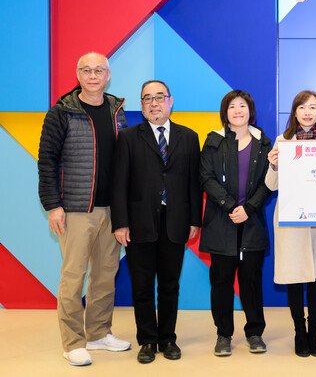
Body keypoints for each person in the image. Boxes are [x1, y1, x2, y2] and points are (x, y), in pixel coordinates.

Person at [37, 52, 130, 366]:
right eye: (87, 70)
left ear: (107, 75)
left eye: (99, 70)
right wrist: (53, 205)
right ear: (78, 74)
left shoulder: (117, 110)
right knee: (74, 276)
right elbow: (47, 161)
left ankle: (98, 333)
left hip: (111, 209)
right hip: (76, 208)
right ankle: (73, 341)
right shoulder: (61, 112)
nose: (93, 75)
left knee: (106, 275)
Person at [110, 80, 202, 363]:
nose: (153, 103)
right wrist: (120, 222)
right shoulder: (128, 138)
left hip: (176, 221)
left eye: (159, 97)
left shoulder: (188, 136)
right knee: (142, 285)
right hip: (138, 222)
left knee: (170, 285)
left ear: (170, 101)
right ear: (142, 104)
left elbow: (194, 183)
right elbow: (119, 183)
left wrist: (194, 220)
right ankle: (147, 340)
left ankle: (168, 339)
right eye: (147, 98)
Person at [265, 91, 316, 358]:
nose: (308, 112)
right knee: (295, 278)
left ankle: (314, 332)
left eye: (313, 107)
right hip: (291, 222)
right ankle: (300, 332)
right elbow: (270, 186)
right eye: (302, 107)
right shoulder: (282, 141)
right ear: (295, 112)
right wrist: (274, 166)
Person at [199, 90, 272, 356]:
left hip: (251, 221)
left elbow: (269, 182)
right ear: (225, 112)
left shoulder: (264, 142)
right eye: (232, 106)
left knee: (251, 280)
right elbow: (205, 177)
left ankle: (254, 333)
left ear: (250, 110)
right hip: (222, 220)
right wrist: (231, 206)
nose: (238, 110)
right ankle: (223, 334)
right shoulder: (214, 141)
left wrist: (249, 208)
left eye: (243, 106)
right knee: (221, 281)